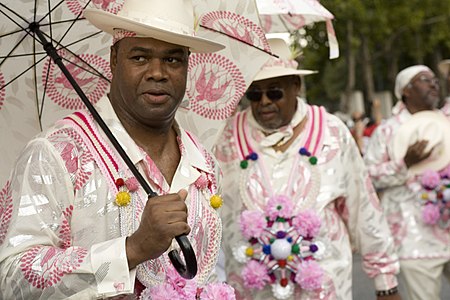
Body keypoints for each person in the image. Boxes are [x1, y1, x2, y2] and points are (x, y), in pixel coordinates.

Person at [0, 0, 235, 299]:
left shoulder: (204, 162)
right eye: (139, 57)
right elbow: (13, 279)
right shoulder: (56, 154)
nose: (157, 73)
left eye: (173, 60)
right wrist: (132, 249)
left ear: (188, 65)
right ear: (113, 59)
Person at [214, 38, 401, 300]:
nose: (264, 101)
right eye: (254, 94)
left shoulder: (333, 131)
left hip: (324, 287)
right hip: (251, 288)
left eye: (275, 91)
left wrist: (386, 282)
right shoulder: (225, 138)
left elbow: (364, 208)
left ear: (296, 86)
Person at [364, 65, 450, 300]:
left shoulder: (446, 119)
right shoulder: (388, 130)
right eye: (424, 80)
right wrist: (404, 164)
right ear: (406, 91)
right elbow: (367, 175)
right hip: (415, 238)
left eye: (435, 79)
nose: (434, 84)